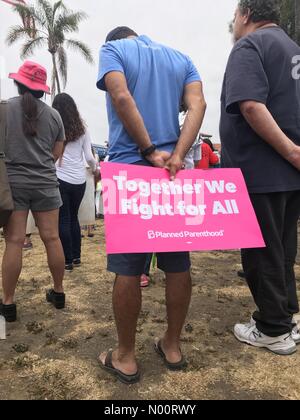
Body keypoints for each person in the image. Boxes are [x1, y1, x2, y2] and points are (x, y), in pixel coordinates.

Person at [97, 26, 206, 384]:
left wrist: (147, 151)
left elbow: (121, 96)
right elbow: (198, 105)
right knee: (178, 265)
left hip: (129, 170)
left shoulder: (113, 51)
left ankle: (125, 356)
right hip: (172, 176)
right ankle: (172, 346)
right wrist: (176, 155)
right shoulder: (182, 59)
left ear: (118, 38)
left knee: (128, 270)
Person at [220, 0, 300, 355]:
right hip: (290, 174)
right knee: (282, 248)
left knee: (261, 251)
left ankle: (273, 329)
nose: (234, 23)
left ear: (246, 15)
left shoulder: (249, 46)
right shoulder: (294, 50)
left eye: (235, 16)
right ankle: (285, 317)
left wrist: (291, 150)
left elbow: (250, 104)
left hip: (262, 170)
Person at [0, 61, 66, 323]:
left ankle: (8, 303)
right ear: (42, 89)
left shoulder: (4, 109)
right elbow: (57, 152)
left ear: (18, 83)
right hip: (47, 183)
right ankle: (58, 293)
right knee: (52, 239)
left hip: (14, 184)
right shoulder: (54, 116)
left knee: (14, 241)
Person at [53, 93, 99, 272]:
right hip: (79, 181)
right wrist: (95, 170)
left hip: (60, 178)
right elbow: (89, 157)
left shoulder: (54, 127)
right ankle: (77, 257)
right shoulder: (83, 129)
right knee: (74, 218)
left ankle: (67, 261)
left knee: (63, 219)